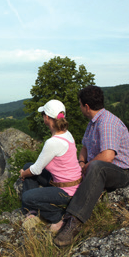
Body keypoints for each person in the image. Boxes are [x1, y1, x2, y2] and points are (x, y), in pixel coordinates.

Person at [54, 85, 129, 246]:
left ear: (86, 106)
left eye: (80, 104)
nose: (79, 108)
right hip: (97, 168)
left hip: (121, 172)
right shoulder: (93, 123)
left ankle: (73, 223)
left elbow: (107, 156)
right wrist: (81, 163)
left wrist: (87, 166)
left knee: (97, 167)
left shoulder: (107, 123)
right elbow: (84, 147)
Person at [19, 99, 82, 232]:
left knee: (26, 196)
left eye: (43, 115)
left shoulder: (53, 142)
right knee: (28, 165)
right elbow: (36, 167)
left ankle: (57, 217)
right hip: (70, 183)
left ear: (47, 118)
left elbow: (36, 170)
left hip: (66, 191)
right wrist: (27, 170)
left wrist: (23, 174)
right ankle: (33, 211)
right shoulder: (67, 134)